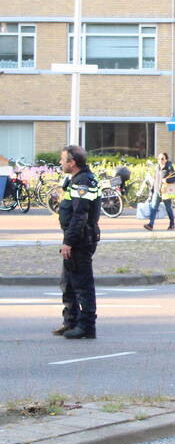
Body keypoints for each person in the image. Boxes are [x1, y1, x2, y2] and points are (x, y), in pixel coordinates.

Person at [54, 145, 101, 340]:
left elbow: (80, 215)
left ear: (72, 163)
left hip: (80, 240)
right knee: (68, 283)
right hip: (76, 238)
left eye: (63, 160)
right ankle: (71, 320)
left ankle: (86, 326)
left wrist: (69, 242)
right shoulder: (77, 180)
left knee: (82, 283)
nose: (60, 162)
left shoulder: (83, 182)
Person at [144, 153, 175, 231]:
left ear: (166, 160)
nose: (160, 160)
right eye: (159, 159)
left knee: (168, 208)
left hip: (165, 191)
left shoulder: (169, 167)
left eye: (162, 159)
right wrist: (152, 190)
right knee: (153, 207)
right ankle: (150, 224)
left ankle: (172, 224)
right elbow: (156, 179)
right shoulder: (158, 167)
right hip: (157, 190)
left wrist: (166, 180)